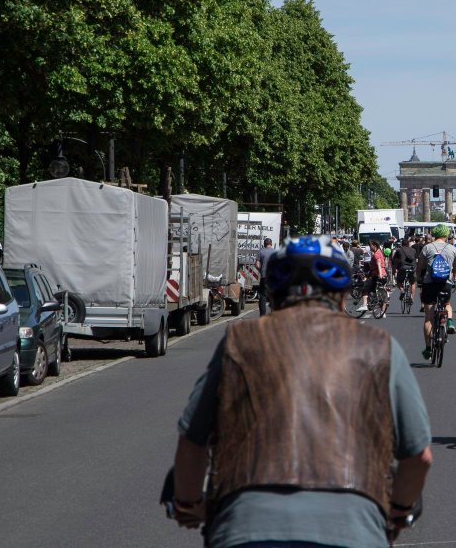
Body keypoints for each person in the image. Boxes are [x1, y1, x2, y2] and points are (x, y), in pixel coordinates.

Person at [170, 235, 432, 548]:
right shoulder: (379, 347)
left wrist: (188, 504)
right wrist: (399, 511)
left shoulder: (239, 341)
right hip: (352, 529)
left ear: (275, 293)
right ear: (342, 295)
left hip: (248, 526)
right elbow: (418, 455)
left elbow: (192, 440)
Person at [417, 224, 456, 359]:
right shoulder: (452, 249)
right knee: (447, 303)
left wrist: (419, 278)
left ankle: (428, 348)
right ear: (446, 235)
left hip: (430, 283)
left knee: (428, 318)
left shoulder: (427, 247)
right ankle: (451, 321)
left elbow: (420, 266)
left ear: (434, 234)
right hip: (445, 283)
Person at [355, 240, 388, 315]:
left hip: (377, 275)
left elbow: (379, 264)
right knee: (380, 293)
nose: (369, 247)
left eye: (370, 246)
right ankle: (382, 312)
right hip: (383, 275)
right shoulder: (380, 252)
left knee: (365, 289)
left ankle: (364, 305)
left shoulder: (376, 254)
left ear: (374, 246)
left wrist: (380, 275)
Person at [391, 237, 419, 306]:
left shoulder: (399, 250)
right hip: (412, 268)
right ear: (408, 244)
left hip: (403, 268)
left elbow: (395, 262)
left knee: (399, 281)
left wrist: (394, 271)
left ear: (401, 244)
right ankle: (412, 298)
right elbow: (416, 260)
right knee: (412, 283)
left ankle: (402, 290)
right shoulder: (413, 250)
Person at [255, 237, 276, 316]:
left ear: (265, 244)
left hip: (264, 277)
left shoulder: (261, 251)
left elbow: (256, 264)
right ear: (271, 244)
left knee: (263, 297)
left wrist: (260, 270)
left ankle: (262, 316)